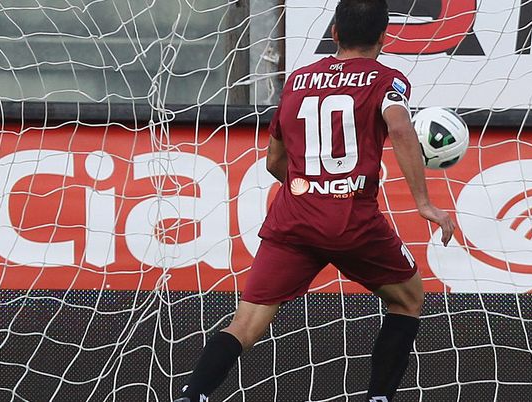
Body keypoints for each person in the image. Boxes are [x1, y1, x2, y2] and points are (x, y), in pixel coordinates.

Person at [174, 1, 455, 401]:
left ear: (335, 32)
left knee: (246, 323)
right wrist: (424, 202)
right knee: (409, 298)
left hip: (294, 220)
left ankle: (192, 394)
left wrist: (310, 188)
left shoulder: (298, 80)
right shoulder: (387, 81)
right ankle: (378, 397)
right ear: (384, 35)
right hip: (352, 220)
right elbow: (400, 125)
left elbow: (274, 160)